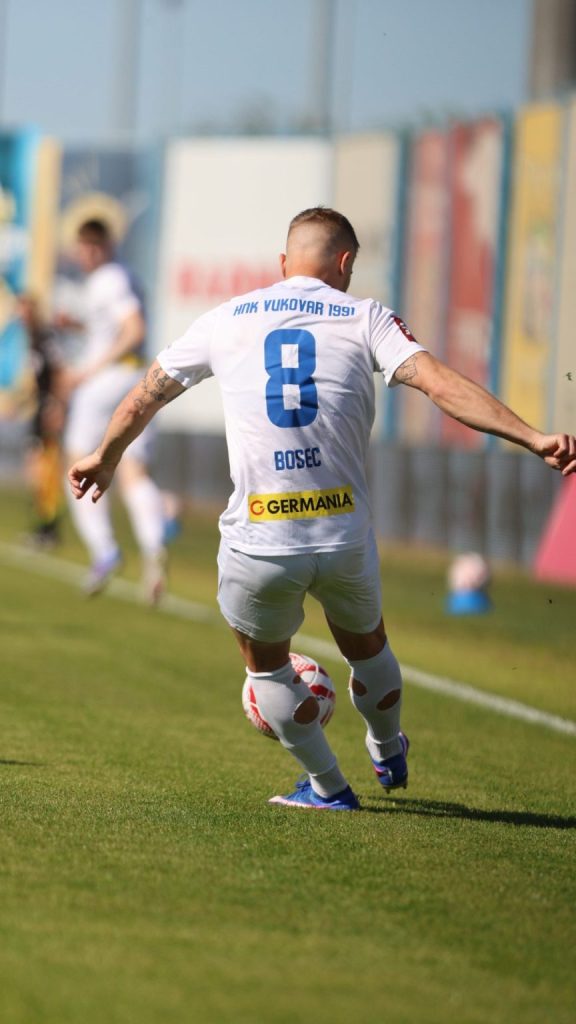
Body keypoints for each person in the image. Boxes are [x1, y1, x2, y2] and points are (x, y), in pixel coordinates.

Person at [68, 207, 576, 811]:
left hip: (261, 539)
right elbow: (441, 384)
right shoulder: (366, 317)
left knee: (265, 669)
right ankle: (386, 746)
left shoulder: (225, 318)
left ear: (284, 263)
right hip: (341, 534)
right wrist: (533, 437)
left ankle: (329, 787)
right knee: (369, 646)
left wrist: (105, 456)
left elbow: (145, 395)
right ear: (345, 262)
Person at [60, 218, 167, 602]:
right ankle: (155, 548)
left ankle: (104, 550)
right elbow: (114, 329)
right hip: (139, 380)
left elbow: (133, 329)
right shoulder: (124, 276)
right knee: (134, 471)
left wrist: (88, 370)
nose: (86, 254)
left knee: (77, 462)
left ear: (102, 246)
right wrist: (78, 327)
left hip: (108, 382)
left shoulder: (109, 278)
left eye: (91, 246)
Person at [18, 293, 67, 547]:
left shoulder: (46, 339)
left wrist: (57, 406)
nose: (21, 316)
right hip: (39, 410)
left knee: (45, 471)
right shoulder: (32, 340)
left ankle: (49, 529)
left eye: (25, 311)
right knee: (35, 472)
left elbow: (59, 373)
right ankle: (43, 526)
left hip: (48, 411)